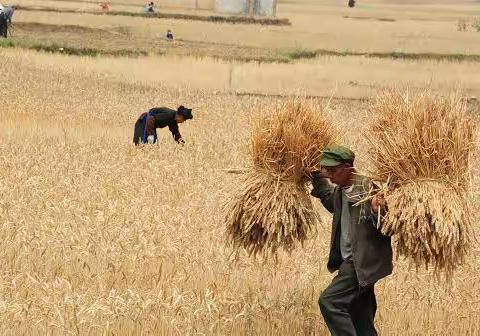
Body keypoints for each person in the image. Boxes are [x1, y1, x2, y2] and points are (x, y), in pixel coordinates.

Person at [311, 145, 393, 336]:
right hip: (351, 260)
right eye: (326, 170)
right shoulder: (342, 188)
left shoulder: (368, 188)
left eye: (333, 170)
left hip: (361, 262)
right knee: (360, 319)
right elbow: (333, 203)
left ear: (348, 168)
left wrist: (376, 210)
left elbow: (389, 227)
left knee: (330, 302)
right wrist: (316, 179)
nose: (329, 175)